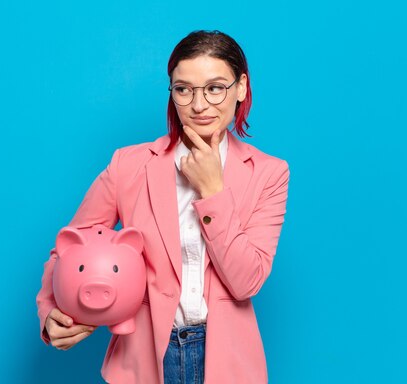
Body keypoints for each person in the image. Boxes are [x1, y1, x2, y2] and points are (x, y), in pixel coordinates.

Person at [36, 30, 290, 384]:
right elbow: (69, 246)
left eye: (215, 88)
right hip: (141, 358)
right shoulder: (129, 165)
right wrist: (50, 312)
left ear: (241, 88)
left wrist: (212, 190)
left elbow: (246, 282)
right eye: (183, 89)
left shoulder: (269, 173)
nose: (199, 105)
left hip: (227, 361)